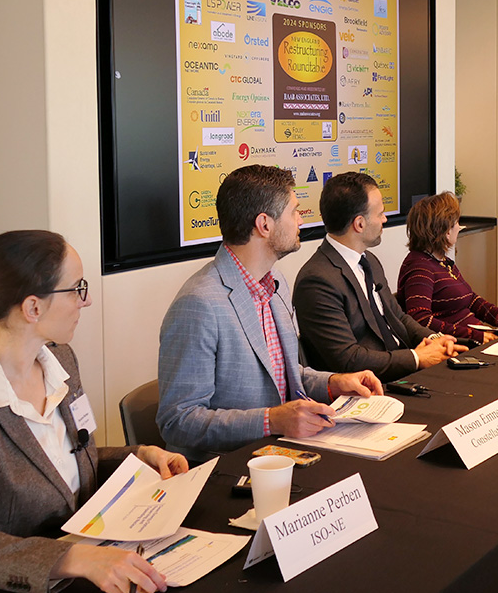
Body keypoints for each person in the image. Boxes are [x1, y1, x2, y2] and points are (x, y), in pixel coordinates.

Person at [0, 230, 189, 593]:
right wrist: (75, 558)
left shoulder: (61, 361)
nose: (84, 302)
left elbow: (60, 466)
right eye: (76, 288)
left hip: (78, 573)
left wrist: (140, 457)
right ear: (33, 308)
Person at [157, 165, 383, 463]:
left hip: (282, 455)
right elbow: (178, 421)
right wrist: (271, 420)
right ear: (264, 224)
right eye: (294, 211)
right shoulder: (199, 304)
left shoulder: (275, 285)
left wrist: (333, 383)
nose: (302, 219)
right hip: (229, 468)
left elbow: (283, 374)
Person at [292, 172, 466, 382]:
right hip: (373, 388)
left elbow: (398, 317)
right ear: (359, 224)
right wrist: (416, 358)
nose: (385, 219)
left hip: (404, 371)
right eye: (380, 214)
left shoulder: (369, 261)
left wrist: (433, 339)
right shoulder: (317, 281)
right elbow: (347, 359)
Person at [396, 192, 498, 345]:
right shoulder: (419, 268)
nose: (459, 227)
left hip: (473, 339)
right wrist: (474, 336)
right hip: (457, 346)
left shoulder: (442, 262)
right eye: (456, 223)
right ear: (445, 231)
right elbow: (421, 320)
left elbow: (471, 300)